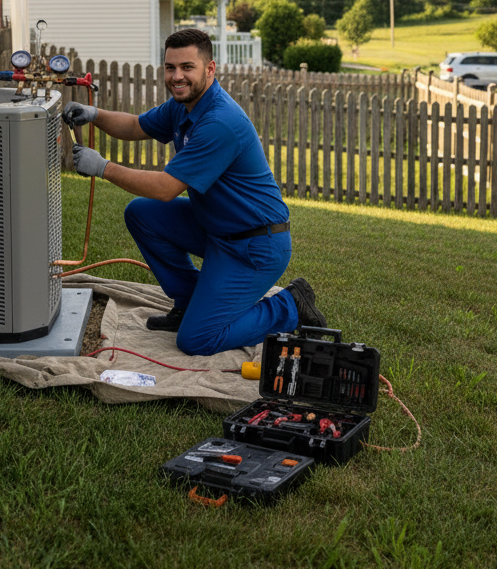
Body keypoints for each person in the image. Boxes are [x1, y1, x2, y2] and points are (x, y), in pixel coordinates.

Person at [61, 28, 325, 356]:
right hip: (215, 228)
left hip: (254, 245)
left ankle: (290, 306)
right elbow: (134, 126)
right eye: (170, 67)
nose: (177, 76)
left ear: (210, 69)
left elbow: (167, 188)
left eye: (187, 67)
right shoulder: (183, 105)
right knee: (141, 214)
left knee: (196, 340)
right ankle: (188, 302)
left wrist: (104, 168)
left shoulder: (219, 122)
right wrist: (95, 115)